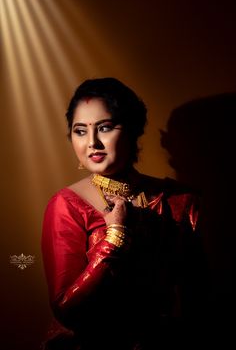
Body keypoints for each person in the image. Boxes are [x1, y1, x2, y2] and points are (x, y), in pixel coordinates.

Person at [41, 77, 206, 350]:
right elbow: (66, 308)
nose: (92, 142)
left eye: (104, 127)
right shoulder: (67, 205)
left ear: (132, 131)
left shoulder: (181, 201)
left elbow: (198, 297)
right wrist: (115, 237)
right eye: (80, 131)